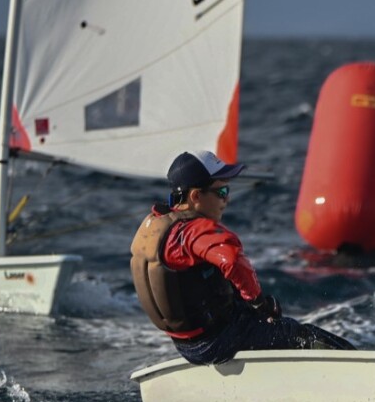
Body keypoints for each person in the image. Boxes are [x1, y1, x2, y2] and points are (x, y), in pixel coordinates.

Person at [131, 150, 356, 364]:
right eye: (221, 192)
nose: (226, 200)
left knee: (260, 316)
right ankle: (359, 368)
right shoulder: (194, 231)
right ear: (196, 196)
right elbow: (231, 259)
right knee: (300, 334)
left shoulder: (155, 225)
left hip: (188, 345)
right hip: (218, 342)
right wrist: (258, 302)